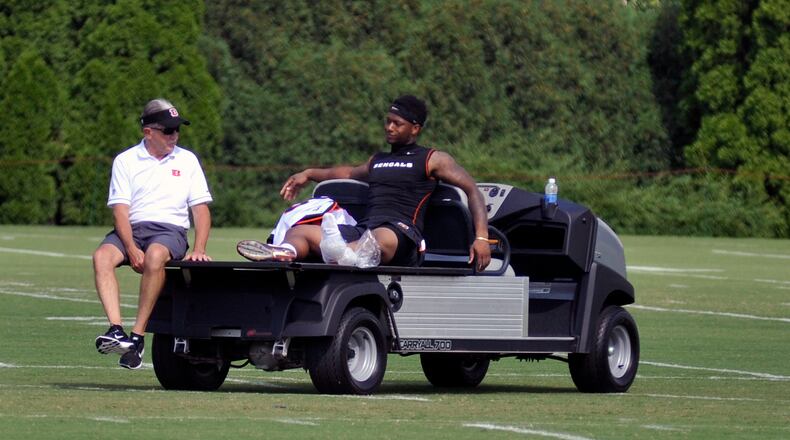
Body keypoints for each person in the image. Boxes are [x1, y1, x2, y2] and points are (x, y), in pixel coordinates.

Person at [237, 95, 491, 271]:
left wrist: (481, 237)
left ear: (415, 129)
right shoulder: (377, 160)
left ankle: (343, 254)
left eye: (397, 123)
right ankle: (288, 252)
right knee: (301, 231)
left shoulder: (432, 159)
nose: (389, 127)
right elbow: (346, 173)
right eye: (388, 121)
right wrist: (309, 173)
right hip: (364, 230)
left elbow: (472, 189)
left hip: (401, 235)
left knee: (378, 238)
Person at [93, 98, 213, 370]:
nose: (175, 136)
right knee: (101, 256)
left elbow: (201, 209)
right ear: (148, 132)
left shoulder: (188, 160)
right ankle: (116, 330)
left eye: (177, 130)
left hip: (170, 231)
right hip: (131, 230)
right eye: (168, 130)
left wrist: (199, 248)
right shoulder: (125, 160)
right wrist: (131, 248)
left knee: (156, 255)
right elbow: (121, 212)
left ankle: (137, 336)